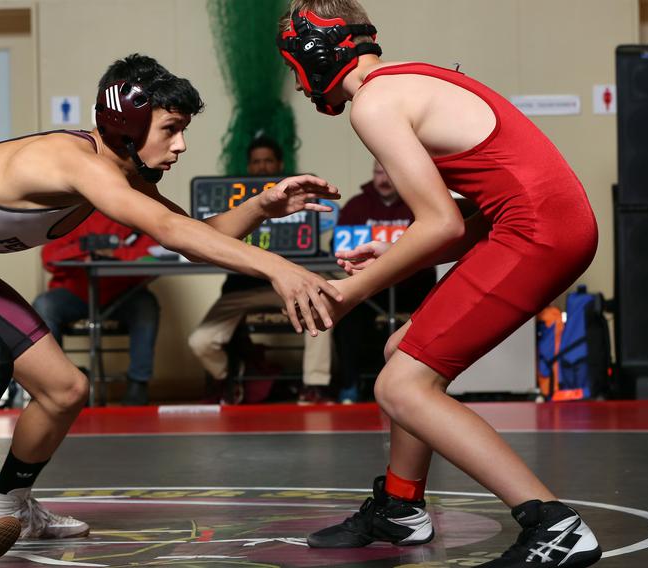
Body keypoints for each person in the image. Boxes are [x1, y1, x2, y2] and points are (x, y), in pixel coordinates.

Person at [0, 53, 342, 568]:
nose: (181, 145)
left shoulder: (118, 171)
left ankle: (8, 505)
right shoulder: (77, 161)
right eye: (172, 129)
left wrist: (262, 206)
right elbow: (174, 232)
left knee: (64, 390)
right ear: (128, 122)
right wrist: (277, 267)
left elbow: (194, 237)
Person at [277, 3, 602, 566]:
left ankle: (556, 527)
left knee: (400, 386)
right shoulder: (412, 79)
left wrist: (348, 293)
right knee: (400, 352)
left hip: (538, 231)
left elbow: (443, 224)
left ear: (315, 54)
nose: (300, 84)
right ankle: (402, 508)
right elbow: (473, 211)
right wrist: (400, 248)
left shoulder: (373, 103)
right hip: (546, 222)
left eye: (294, 68)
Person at [189, 136, 333, 404]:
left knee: (321, 311)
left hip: (287, 286)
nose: (263, 167)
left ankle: (315, 385)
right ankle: (230, 376)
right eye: (256, 162)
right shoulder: (235, 201)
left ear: (279, 164)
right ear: (249, 166)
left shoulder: (298, 197)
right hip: (240, 289)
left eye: (268, 161)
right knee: (200, 341)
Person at [333, 161, 436, 403]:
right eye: (379, 173)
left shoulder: (418, 205)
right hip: (370, 290)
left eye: (389, 173)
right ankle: (349, 386)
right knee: (347, 317)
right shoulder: (356, 206)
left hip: (411, 286)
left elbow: (432, 249)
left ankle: (428, 388)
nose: (383, 179)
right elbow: (338, 249)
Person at [33, 211, 160, 406]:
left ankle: (138, 384)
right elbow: (49, 257)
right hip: (75, 293)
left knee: (146, 307)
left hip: (123, 294)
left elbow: (152, 255)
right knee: (44, 305)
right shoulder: (73, 216)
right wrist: (87, 249)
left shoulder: (132, 213)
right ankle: (61, 382)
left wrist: (114, 253)